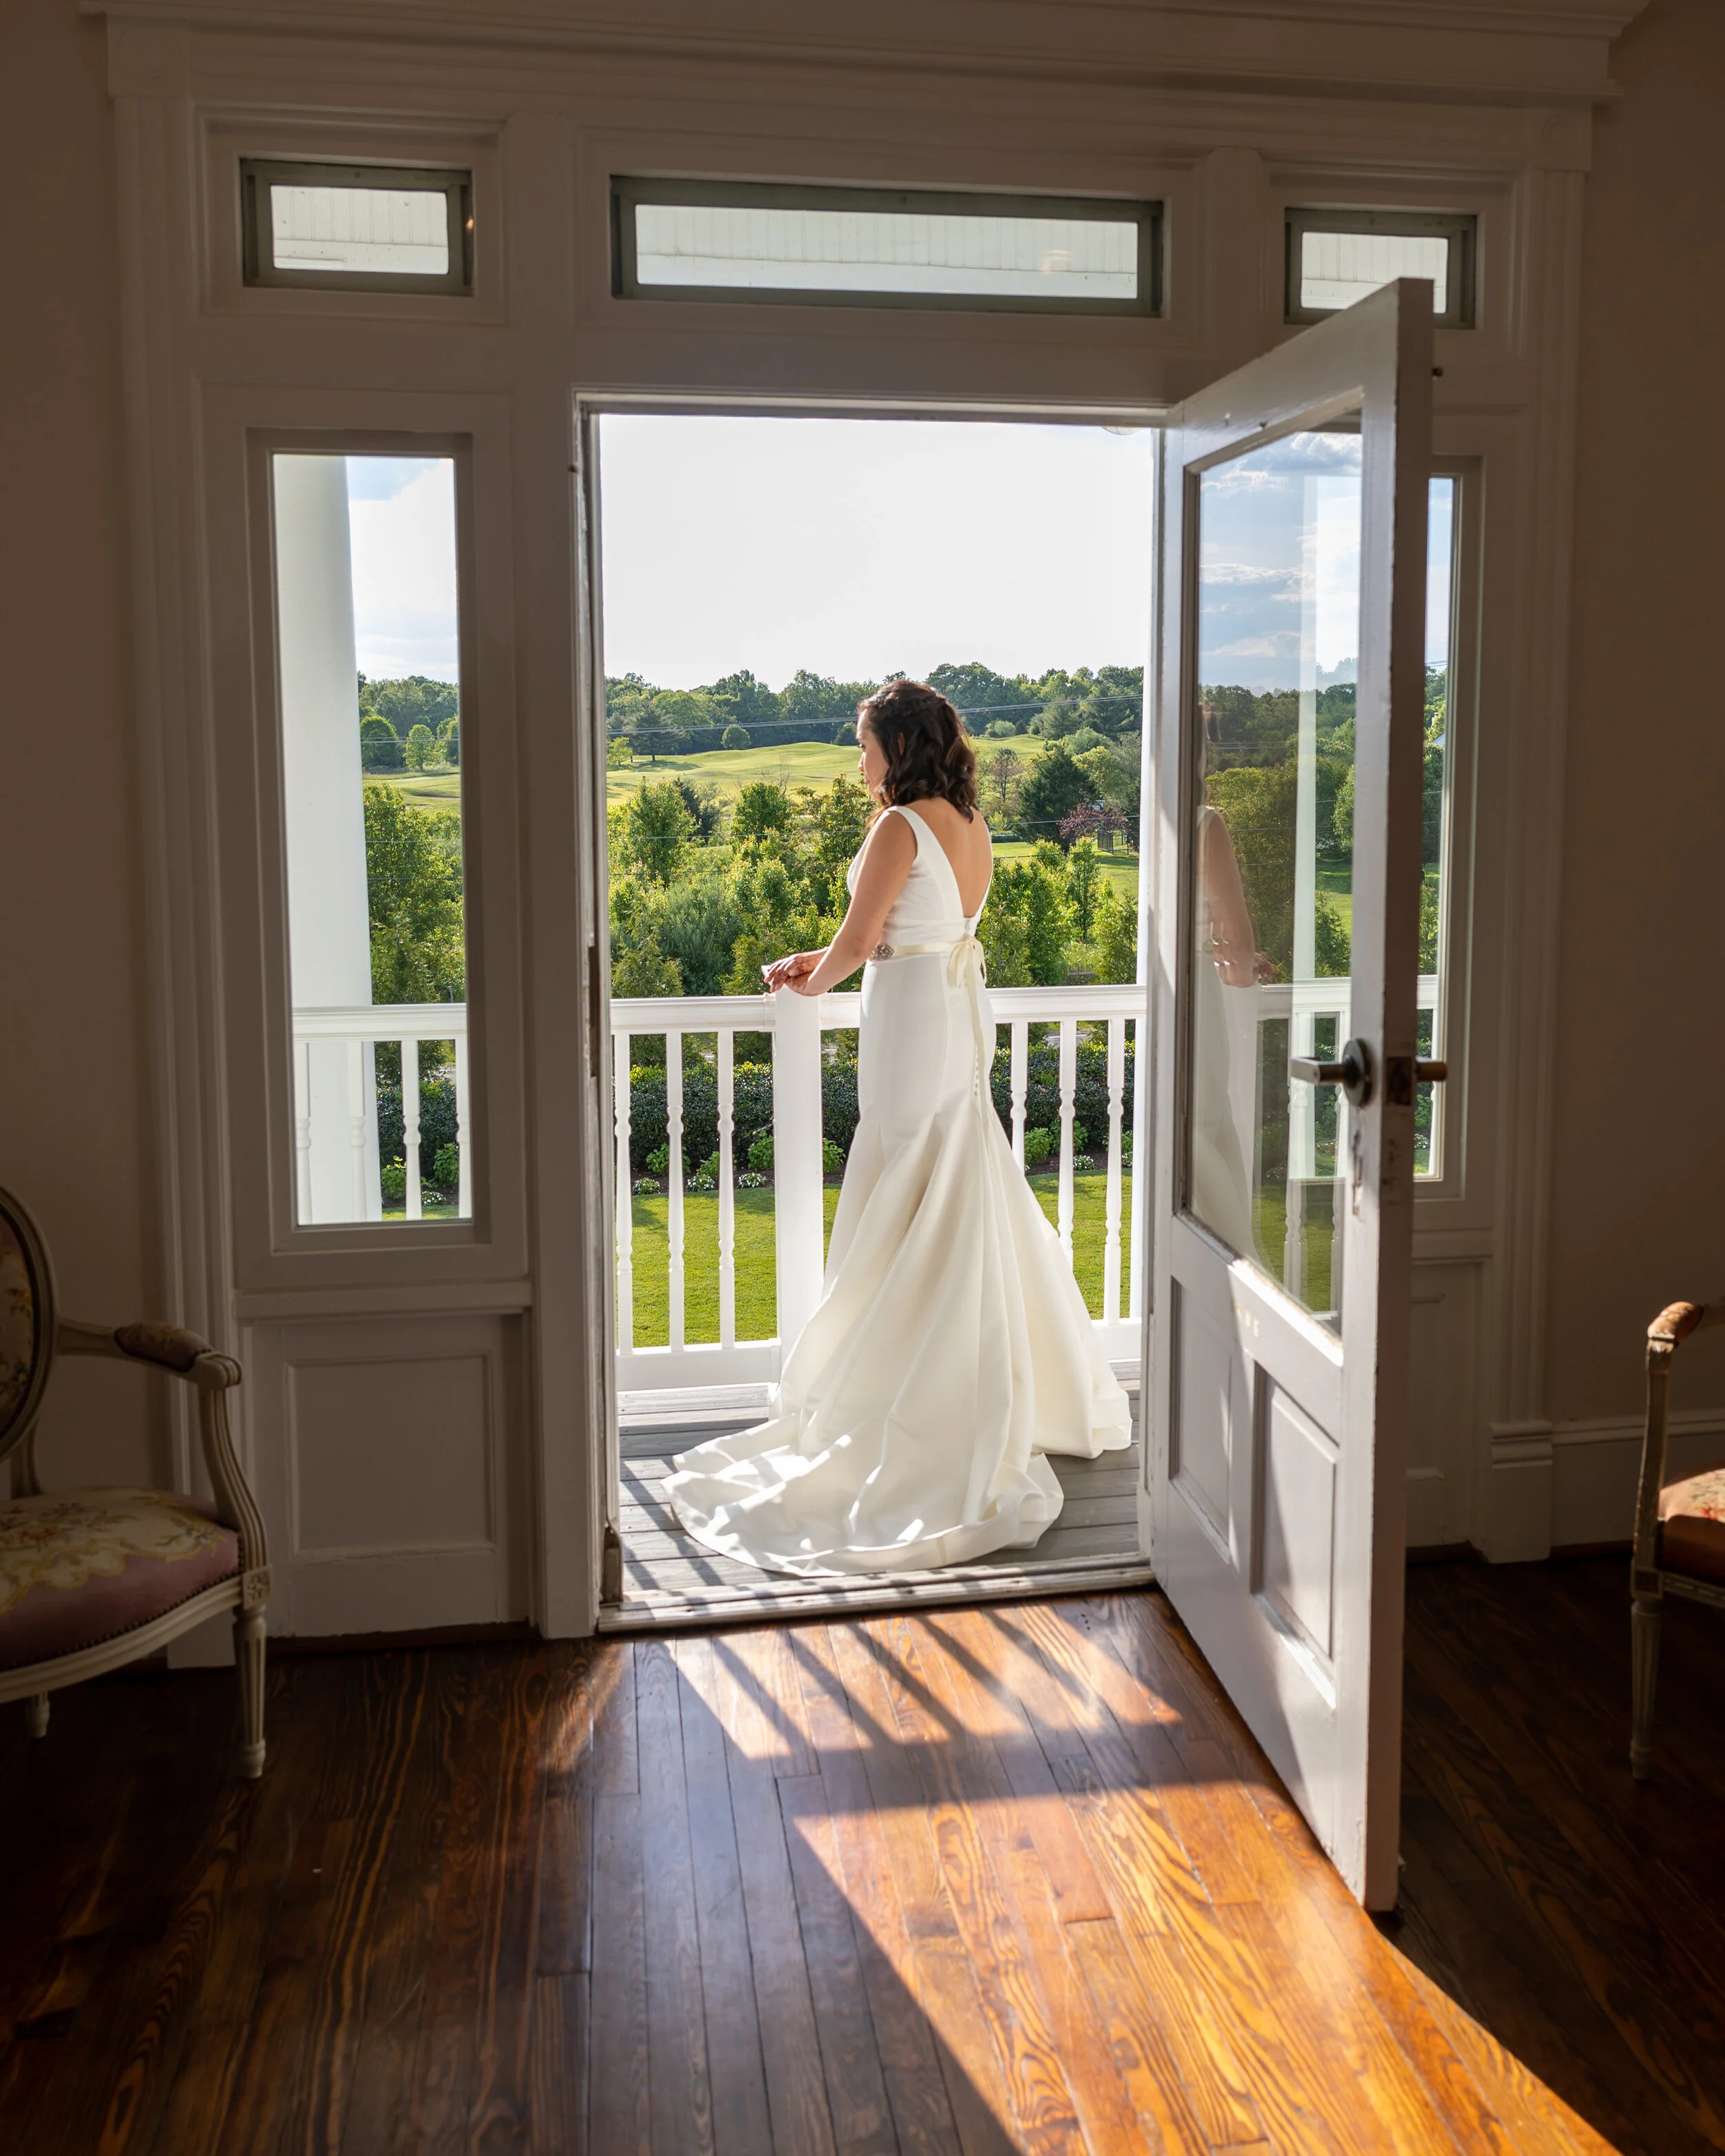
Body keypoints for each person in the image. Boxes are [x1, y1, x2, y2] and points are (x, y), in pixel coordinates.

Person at [664, 679, 1132, 1579]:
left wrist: (809, 975)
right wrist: (842, 955)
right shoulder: (970, 823)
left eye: (866, 745)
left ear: (898, 746)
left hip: (912, 1020)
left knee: (907, 1181)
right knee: (952, 1178)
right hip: (945, 1014)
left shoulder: (896, 827)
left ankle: (899, 1387)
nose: (860, 761)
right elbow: (908, 930)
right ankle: (973, 1376)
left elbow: (860, 934)